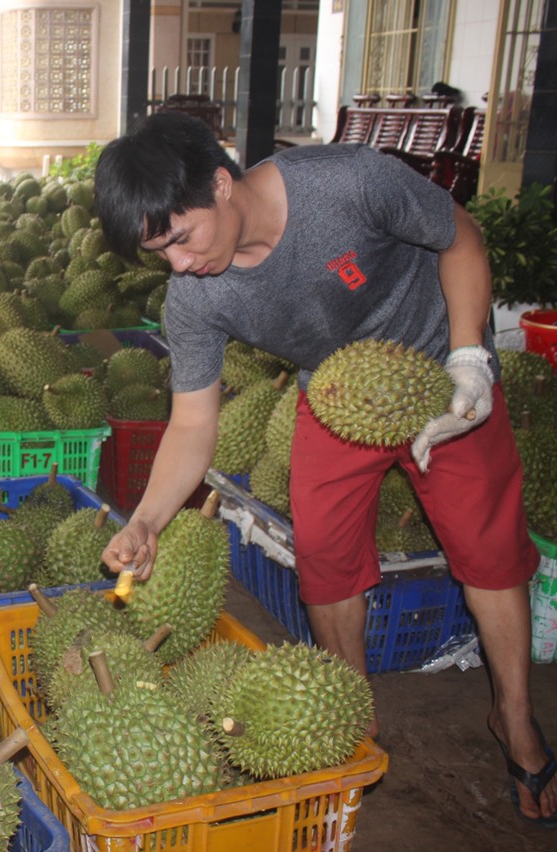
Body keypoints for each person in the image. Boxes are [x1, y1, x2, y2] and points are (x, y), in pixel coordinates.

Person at [93, 111, 554, 827]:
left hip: (439, 373)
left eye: (181, 238)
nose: (179, 264)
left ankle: (515, 715)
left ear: (221, 182)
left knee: (489, 548)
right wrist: (148, 520)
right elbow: (192, 422)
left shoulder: (348, 183)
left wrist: (470, 356)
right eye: (162, 254)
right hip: (336, 395)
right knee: (324, 555)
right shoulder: (194, 300)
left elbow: (458, 235)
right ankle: (351, 710)